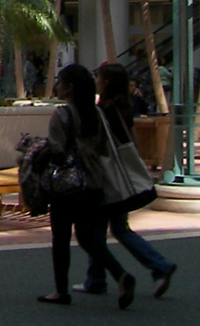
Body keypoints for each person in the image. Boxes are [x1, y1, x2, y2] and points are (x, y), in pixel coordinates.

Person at [37, 64, 134, 308]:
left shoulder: (62, 114)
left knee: (60, 237)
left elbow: (57, 150)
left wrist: (39, 154)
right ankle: (120, 274)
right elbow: (103, 147)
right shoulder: (96, 113)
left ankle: (60, 290)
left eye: (60, 82)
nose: (56, 86)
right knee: (88, 237)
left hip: (68, 184)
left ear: (69, 88)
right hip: (93, 181)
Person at [79, 63, 175, 300]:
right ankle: (157, 265)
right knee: (119, 228)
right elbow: (132, 142)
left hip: (107, 178)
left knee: (96, 230)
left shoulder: (102, 111)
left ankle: (97, 279)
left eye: (99, 77)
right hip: (123, 177)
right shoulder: (123, 107)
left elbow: (96, 144)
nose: (96, 81)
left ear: (106, 82)